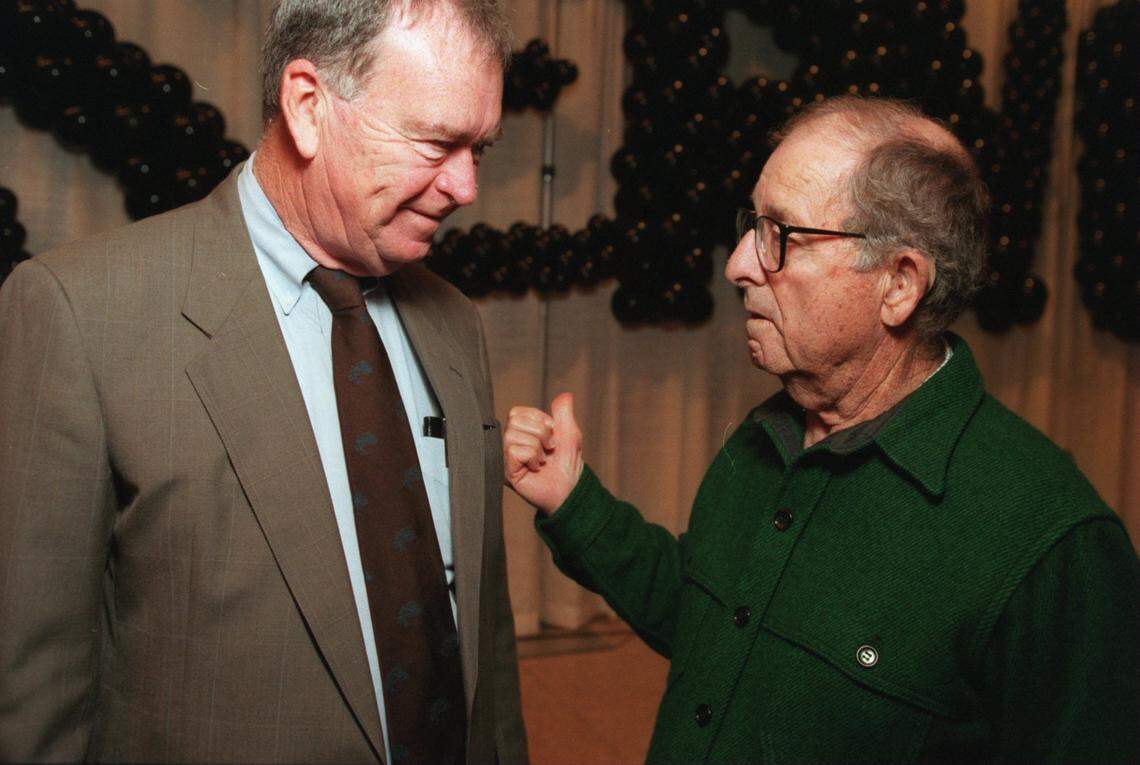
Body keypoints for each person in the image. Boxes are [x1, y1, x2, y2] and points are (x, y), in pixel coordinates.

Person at [504, 96, 1139, 762]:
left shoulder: (1053, 546)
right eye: (752, 223)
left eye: (781, 233)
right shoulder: (765, 438)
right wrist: (573, 500)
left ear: (898, 284)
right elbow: (710, 621)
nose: (739, 264)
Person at [0, 1, 528, 762]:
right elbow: (33, 694)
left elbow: (483, 633)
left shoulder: (454, 324)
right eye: (438, 142)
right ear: (309, 105)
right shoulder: (80, 314)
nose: (467, 186)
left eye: (481, 148)